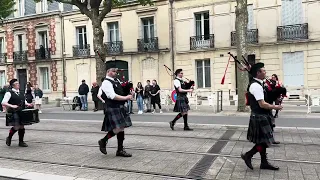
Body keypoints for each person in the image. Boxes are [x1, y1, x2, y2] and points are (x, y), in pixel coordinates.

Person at [241, 63, 282, 171]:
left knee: (263, 141)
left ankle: (263, 162)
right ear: (258, 73)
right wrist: (275, 107)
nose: (265, 72)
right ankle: (248, 155)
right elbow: (262, 104)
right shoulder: (255, 86)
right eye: (263, 71)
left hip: (262, 115)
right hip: (259, 115)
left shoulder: (260, 83)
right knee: (264, 141)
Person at [98, 61, 133, 157]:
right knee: (118, 128)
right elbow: (112, 96)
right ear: (108, 71)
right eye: (113, 71)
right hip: (112, 107)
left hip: (120, 107)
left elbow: (120, 91)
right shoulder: (106, 82)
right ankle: (103, 141)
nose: (115, 73)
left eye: (116, 71)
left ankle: (120, 150)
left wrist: (129, 92)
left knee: (121, 128)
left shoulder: (116, 81)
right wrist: (126, 98)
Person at [2, 79, 33, 147]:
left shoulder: (21, 92)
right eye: (16, 83)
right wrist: (12, 105)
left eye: (18, 83)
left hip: (21, 111)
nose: (18, 84)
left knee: (22, 126)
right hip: (13, 111)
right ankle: (9, 137)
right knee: (16, 126)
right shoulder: (9, 93)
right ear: (13, 85)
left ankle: (21, 142)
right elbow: (3, 102)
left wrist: (28, 104)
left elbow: (23, 101)